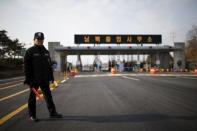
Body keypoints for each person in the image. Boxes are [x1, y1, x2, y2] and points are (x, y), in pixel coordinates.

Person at [24, 32, 62, 122]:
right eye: (38, 39)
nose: (40, 41)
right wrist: (28, 79)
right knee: (32, 98)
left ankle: (52, 113)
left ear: (43, 40)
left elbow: (49, 66)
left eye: (41, 40)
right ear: (34, 40)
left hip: (44, 79)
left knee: (48, 96)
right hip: (34, 80)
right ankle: (32, 115)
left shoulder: (46, 52)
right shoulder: (30, 51)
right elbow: (26, 66)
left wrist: (51, 77)